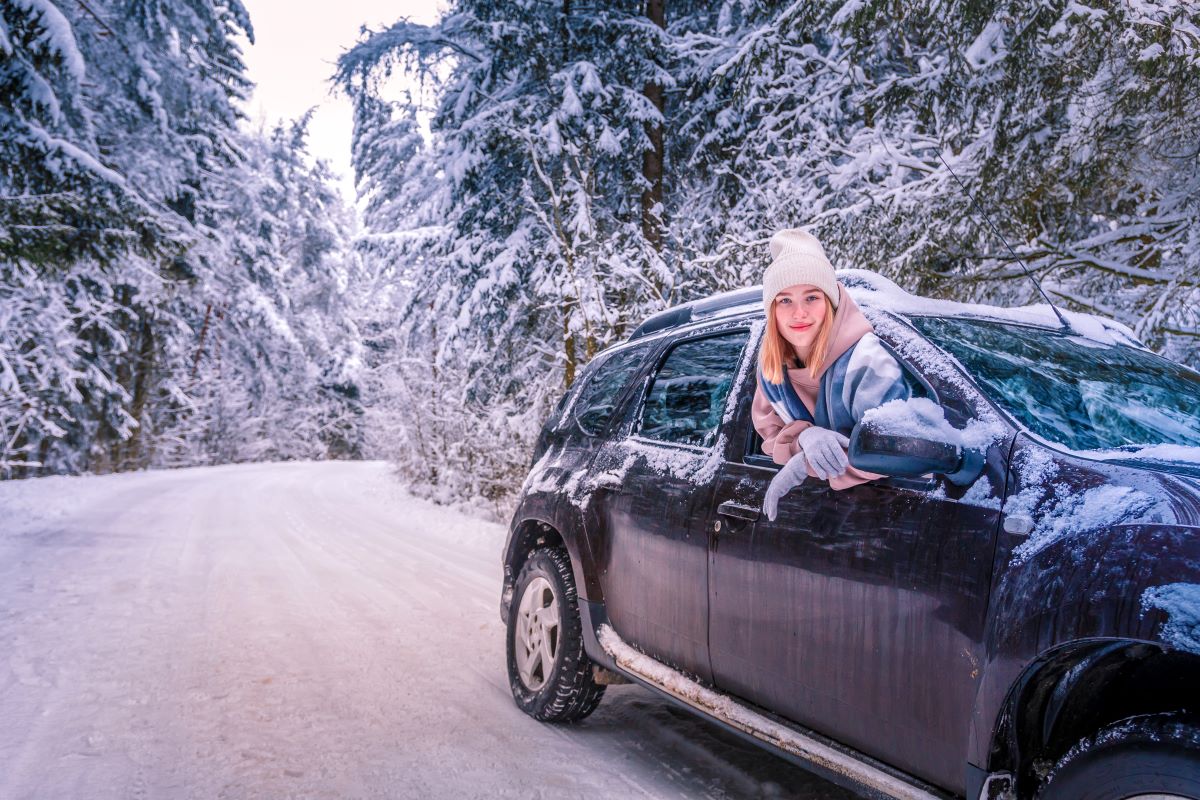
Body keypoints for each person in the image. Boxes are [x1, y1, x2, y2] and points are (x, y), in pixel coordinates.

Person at [753, 228, 910, 520]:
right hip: (819, 517)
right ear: (772, 310)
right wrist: (804, 437)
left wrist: (805, 463)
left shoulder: (867, 362)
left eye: (812, 297)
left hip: (878, 515)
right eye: (785, 300)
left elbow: (891, 449)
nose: (799, 313)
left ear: (830, 302)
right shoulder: (771, 373)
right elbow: (769, 434)